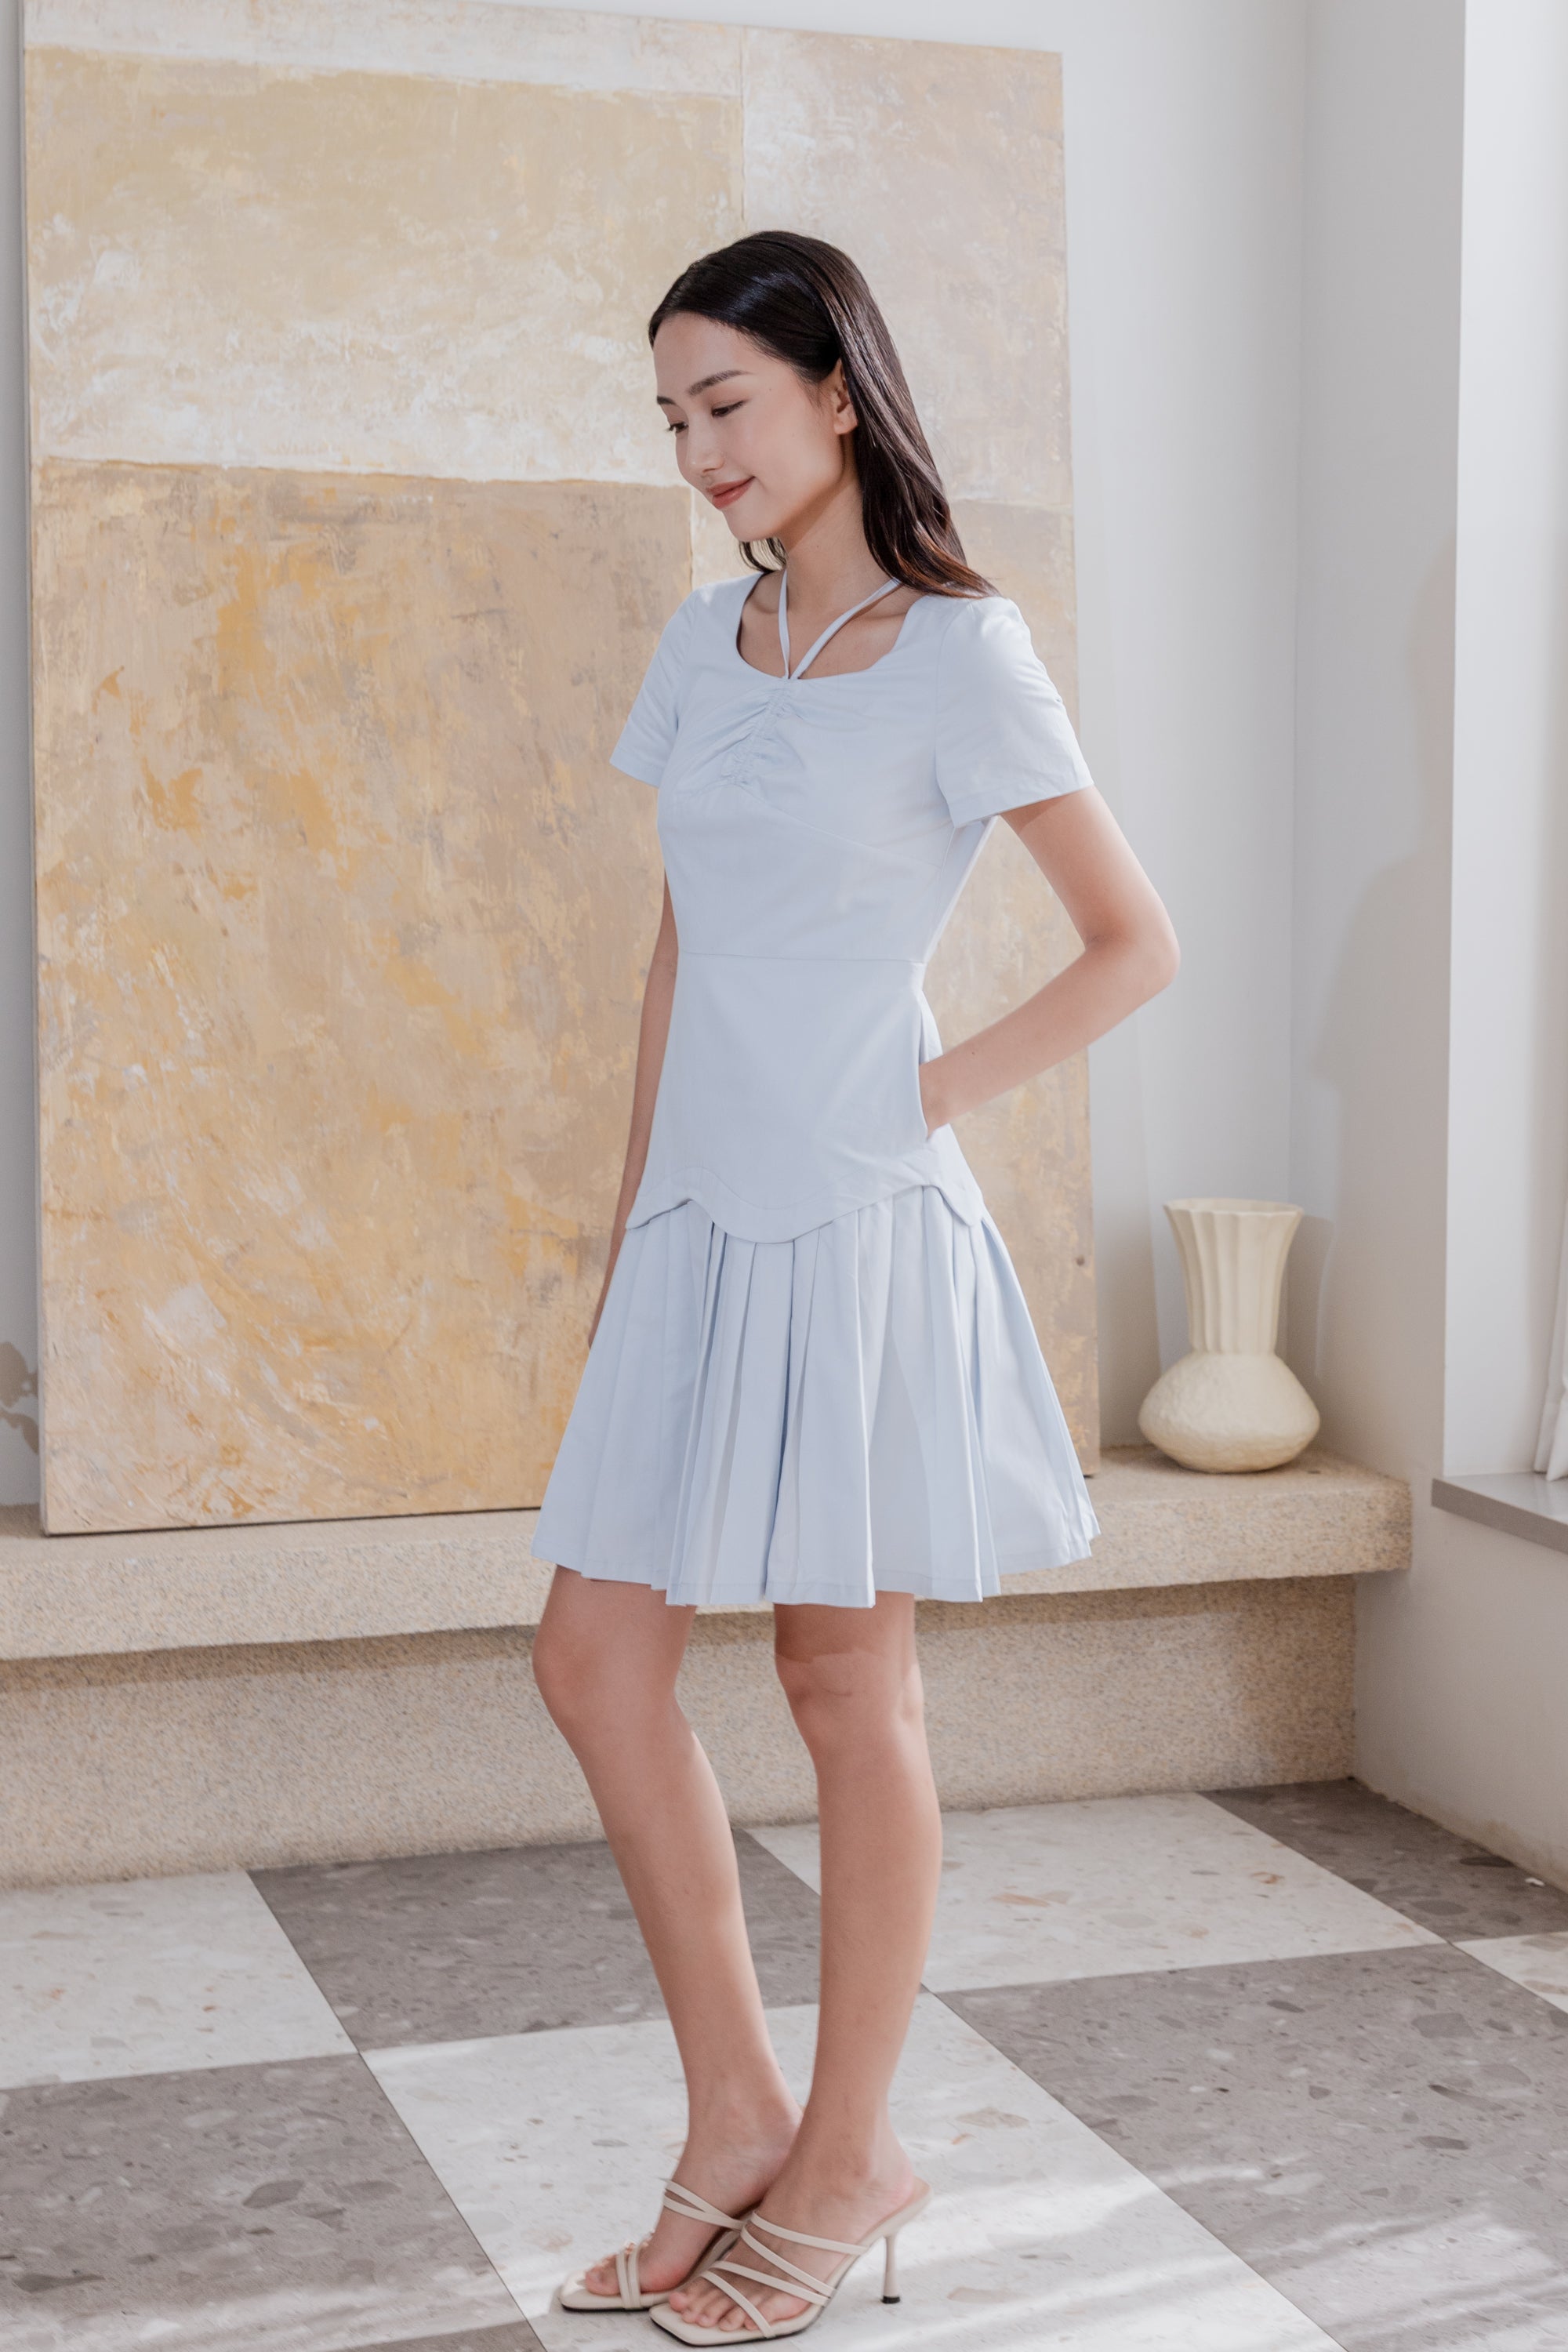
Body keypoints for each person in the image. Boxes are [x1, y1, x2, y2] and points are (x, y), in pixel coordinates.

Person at [530, 230, 1179, 2343]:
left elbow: (1133, 943)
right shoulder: (703, 644)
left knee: (842, 1686)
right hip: (698, 1220)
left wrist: (920, 1096)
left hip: (864, 1225)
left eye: (724, 403)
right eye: (671, 417)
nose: (697, 450)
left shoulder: (963, 655)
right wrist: (633, 1222)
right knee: (593, 1660)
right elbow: (677, 951)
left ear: (835, 391)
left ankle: (852, 2150)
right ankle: (738, 2112)